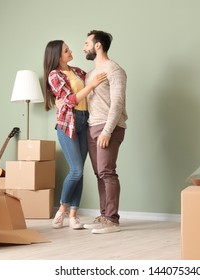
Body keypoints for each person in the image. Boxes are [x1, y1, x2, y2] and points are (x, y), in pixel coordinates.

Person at [43, 40, 106, 229]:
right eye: (66, 50)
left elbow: (80, 96)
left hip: (84, 122)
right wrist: (91, 85)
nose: (71, 51)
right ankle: (62, 210)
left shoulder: (78, 72)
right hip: (67, 124)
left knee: (80, 172)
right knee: (76, 170)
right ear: (57, 55)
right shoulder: (54, 75)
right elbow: (71, 100)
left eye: (68, 49)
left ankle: (73, 215)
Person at [82, 30, 128, 234]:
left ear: (97, 45)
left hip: (108, 127)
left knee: (107, 172)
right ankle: (104, 216)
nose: (84, 47)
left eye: (86, 43)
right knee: (99, 173)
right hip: (92, 126)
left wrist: (107, 131)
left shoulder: (114, 69)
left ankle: (112, 219)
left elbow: (117, 103)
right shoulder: (90, 74)